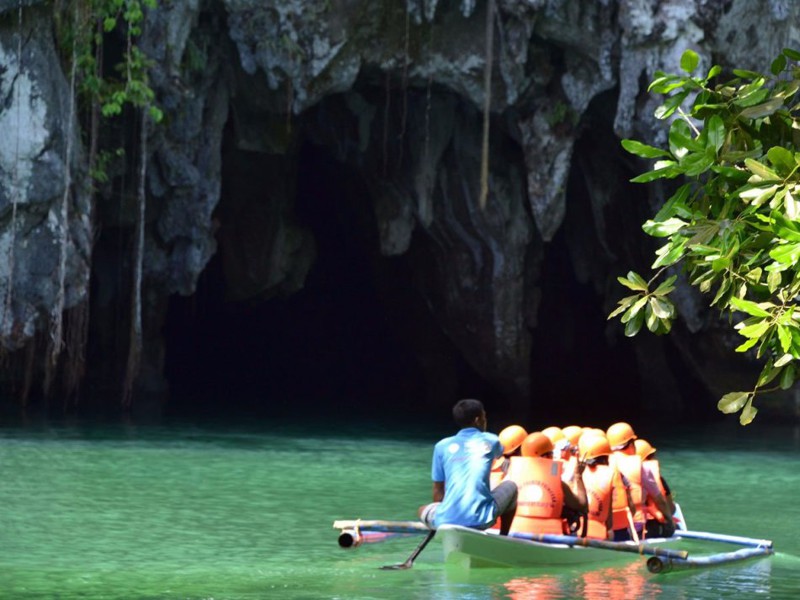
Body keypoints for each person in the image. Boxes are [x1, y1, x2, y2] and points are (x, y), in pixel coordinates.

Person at [418, 399, 518, 535]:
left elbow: (438, 490)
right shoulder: (491, 440)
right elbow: (501, 452)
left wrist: (443, 517)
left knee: (422, 509)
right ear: (478, 420)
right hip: (481, 519)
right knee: (511, 486)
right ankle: (504, 536)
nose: (485, 420)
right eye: (484, 417)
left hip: (445, 520)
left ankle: (443, 526)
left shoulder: (441, 446)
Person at [503, 432, 587, 536]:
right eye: (551, 453)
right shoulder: (557, 483)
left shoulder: (509, 477)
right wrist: (578, 475)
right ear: (546, 456)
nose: (553, 457)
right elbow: (582, 505)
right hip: (549, 537)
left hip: (514, 533)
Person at [606, 422, 675, 541]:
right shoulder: (641, 468)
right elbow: (660, 501)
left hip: (607, 528)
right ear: (631, 444)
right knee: (669, 527)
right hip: (634, 529)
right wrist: (670, 521)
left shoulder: (603, 465)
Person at [635, 438, 677, 537]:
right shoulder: (657, 478)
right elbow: (670, 508)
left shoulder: (626, 479)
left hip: (632, 525)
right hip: (654, 526)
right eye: (651, 456)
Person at [577, 431, 615, 539]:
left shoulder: (573, 470)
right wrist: (610, 531)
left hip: (574, 529)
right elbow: (609, 515)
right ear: (606, 458)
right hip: (599, 532)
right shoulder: (609, 473)